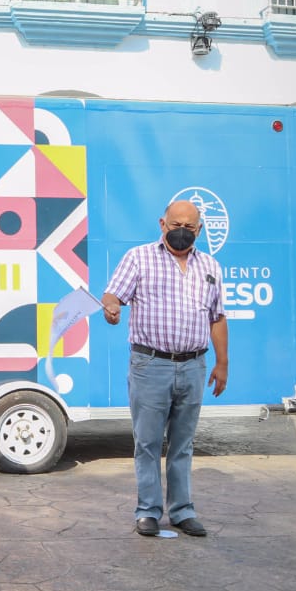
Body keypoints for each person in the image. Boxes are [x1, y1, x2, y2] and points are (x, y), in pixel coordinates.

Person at [102, 199, 228, 539]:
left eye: (189, 227)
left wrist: (222, 363)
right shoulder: (139, 258)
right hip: (150, 365)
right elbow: (113, 296)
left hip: (193, 366)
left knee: (182, 444)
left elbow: (217, 318)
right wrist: (111, 309)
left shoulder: (211, 266)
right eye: (176, 225)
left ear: (199, 229)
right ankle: (148, 511)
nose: (182, 232)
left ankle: (183, 511)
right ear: (162, 224)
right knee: (147, 443)